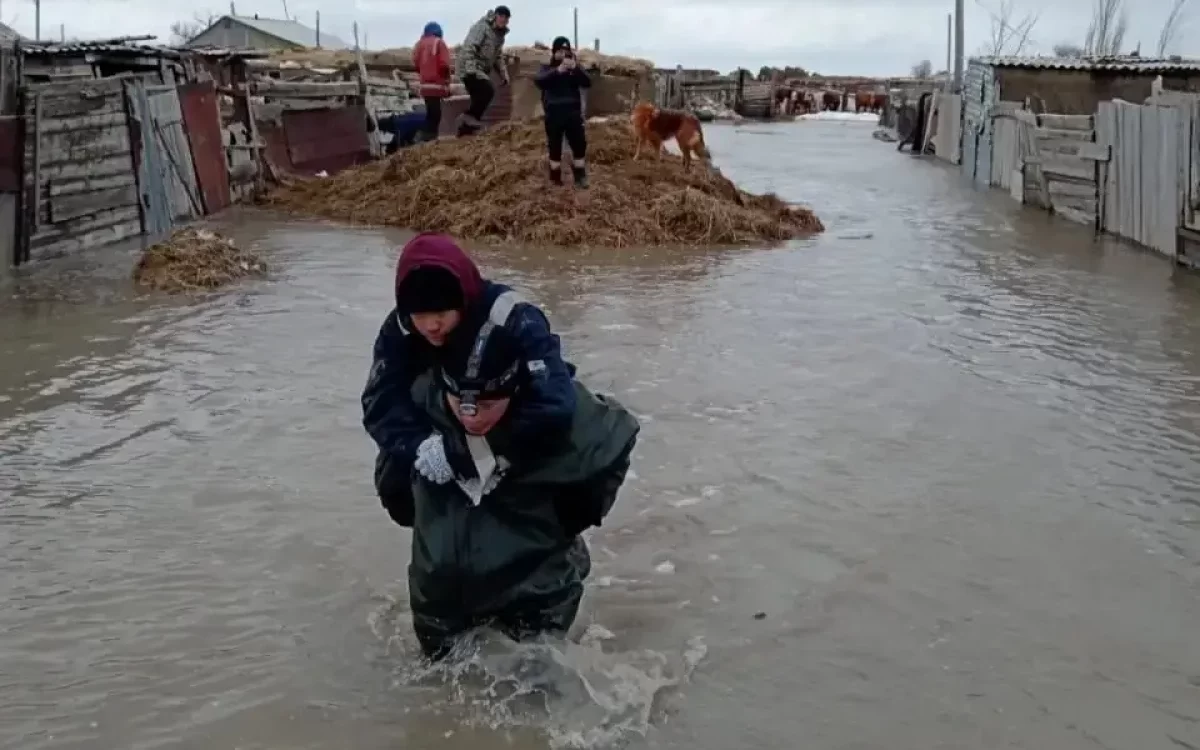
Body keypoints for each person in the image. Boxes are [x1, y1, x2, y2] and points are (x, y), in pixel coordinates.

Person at [387, 311, 640, 659]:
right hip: (441, 599)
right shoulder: (417, 408)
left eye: (487, 403)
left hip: (536, 593)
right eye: (458, 400)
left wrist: (568, 520)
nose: (470, 415)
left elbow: (615, 439)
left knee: (541, 693)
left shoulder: (557, 413)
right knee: (435, 696)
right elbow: (393, 486)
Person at [362, 232, 577, 531]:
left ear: (461, 301)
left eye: (440, 312)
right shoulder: (402, 327)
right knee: (395, 484)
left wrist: (468, 453)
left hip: (515, 424)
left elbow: (555, 404)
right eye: (420, 314)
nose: (431, 325)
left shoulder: (517, 320)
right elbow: (380, 401)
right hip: (442, 419)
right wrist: (421, 448)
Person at [535, 36, 591, 188]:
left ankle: (580, 174)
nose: (563, 54)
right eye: (559, 51)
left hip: (572, 113)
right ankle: (555, 176)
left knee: (579, 144)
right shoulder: (547, 68)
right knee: (554, 146)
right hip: (553, 114)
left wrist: (575, 68)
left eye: (565, 51)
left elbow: (587, 82)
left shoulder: (574, 68)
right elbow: (539, 81)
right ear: (554, 52)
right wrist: (558, 71)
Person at [455, 5, 511, 137]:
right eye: (501, 16)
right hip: (469, 67)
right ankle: (465, 117)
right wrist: (471, 69)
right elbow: (470, 46)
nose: (503, 20)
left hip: (480, 69)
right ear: (495, 16)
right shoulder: (482, 27)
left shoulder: (499, 36)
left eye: (506, 18)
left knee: (479, 98)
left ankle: (465, 131)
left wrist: (504, 74)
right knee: (487, 91)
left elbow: (497, 57)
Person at [412, 21, 452, 142]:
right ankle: (424, 139)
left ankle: (425, 139)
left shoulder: (419, 44)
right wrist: (447, 80)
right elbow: (444, 65)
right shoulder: (439, 43)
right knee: (435, 116)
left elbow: (416, 64)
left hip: (425, 86)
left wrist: (424, 74)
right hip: (437, 85)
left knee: (431, 113)